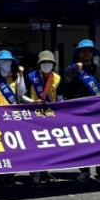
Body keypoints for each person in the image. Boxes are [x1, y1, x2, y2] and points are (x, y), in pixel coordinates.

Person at [62, 39, 100, 186]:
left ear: (93, 53)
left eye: (89, 51)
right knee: (82, 143)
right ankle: (84, 171)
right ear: (78, 53)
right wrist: (78, 73)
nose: (86, 53)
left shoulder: (99, 69)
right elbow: (67, 88)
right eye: (83, 51)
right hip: (79, 112)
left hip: (98, 112)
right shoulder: (70, 70)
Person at [21, 51, 62, 186]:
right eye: (44, 62)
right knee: (35, 146)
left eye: (49, 63)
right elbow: (22, 95)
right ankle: (35, 174)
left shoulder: (57, 78)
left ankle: (45, 171)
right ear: (39, 65)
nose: (47, 65)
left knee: (48, 145)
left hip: (50, 116)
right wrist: (32, 102)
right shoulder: (30, 77)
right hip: (34, 116)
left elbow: (60, 98)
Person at [0, 50, 26, 187]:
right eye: (2, 62)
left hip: (13, 117)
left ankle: (10, 175)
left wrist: (21, 75)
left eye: (8, 62)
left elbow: (21, 93)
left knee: (13, 148)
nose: (5, 64)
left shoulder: (15, 77)